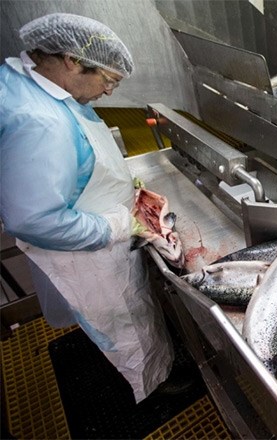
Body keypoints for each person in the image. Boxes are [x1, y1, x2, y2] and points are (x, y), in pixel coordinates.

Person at [0, 13, 174, 403]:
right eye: (108, 81)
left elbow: (71, 164)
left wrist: (124, 187)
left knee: (118, 321)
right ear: (72, 61)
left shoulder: (24, 80)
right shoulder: (41, 121)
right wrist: (119, 224)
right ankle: (153, 388)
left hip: (91, 228)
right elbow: (34, 219)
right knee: (127, 324)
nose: (110, 92)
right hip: (89, 253)